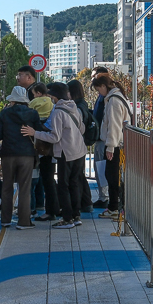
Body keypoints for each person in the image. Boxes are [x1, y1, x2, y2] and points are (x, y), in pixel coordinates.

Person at [22, 82, 85, 229]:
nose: (50, 98)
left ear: (55, 96)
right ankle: (76, 216)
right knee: (75, 184)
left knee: (63, 185)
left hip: (65, 153)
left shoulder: (58, 112)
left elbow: (55, 137)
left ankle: (67, 219)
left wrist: (35, 133)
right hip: (79, 150)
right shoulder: (73, 107)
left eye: (51, 95)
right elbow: (81, 128)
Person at [0, 86, 45, 229]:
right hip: (26, 155)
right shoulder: (33, 113)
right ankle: (24, 222)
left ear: (13, 100)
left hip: (8, 154)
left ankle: (5, 220)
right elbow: (38, 132)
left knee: (7, 187)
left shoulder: (4, 114)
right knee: (24, 188)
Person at [92, 75, 131, 219]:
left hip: (116, 145)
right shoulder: (119, 96)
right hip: (120, 143)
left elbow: (114, 125)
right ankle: (117, 207)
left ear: (103, 86)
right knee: (114, 176)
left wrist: (110, 147)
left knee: (112, 176)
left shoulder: (113, 100)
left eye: (98, 89)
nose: (99, 93)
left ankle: (115, 207)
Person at [28, 83, 57, 220]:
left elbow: (30, 111)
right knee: (48, 178)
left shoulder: (34, 103)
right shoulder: (52, 104)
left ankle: (46, 210)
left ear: (38, 93)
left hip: (39, 133)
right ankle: (49, 207)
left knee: (45, 178)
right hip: (48, 140)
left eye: (34, 93)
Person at [67, 79, 96, 213]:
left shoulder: (77, 107)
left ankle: (81, 204)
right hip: (81, 144)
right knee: (79, 174)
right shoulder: (82, 104)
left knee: (76, 175)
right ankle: (86, 202)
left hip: (77, 144)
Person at [89, 66, 111, 208]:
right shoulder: (102, 95)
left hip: (104, 139)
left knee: (102, 169)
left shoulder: (108, 96)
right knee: (99, 168)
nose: (92, 79)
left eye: (94, 76)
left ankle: (105, 198)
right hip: (101, 137)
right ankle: (104, 197)